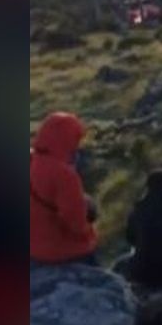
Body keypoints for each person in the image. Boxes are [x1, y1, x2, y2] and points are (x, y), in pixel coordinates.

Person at [30, 112, 98, 266]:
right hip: (61, 251)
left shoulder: (32, 160)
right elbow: (75, 223)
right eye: (76, 139)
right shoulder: (64, 175)